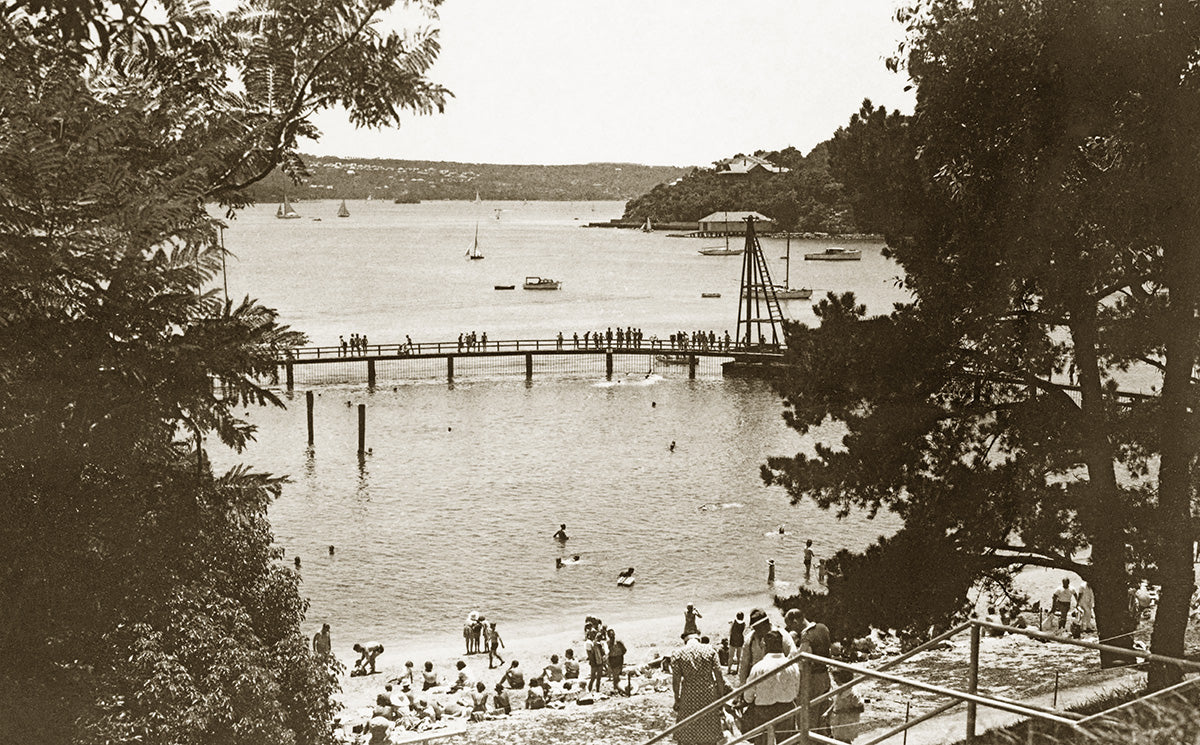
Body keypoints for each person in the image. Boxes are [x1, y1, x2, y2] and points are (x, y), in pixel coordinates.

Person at [742, 630, 801, 745]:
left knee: (762, 741)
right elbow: (796, 690)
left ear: (765, 645)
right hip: (786, 708)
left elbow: (748, 695)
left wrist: (749, 700)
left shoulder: (758, 667)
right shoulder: (793, 665)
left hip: (763, 710)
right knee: (787, 742)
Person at [671, 632, 725, 745]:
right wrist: (721, 696)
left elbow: (676, 680)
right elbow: (719, 676)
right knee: (709, 735)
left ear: (685, 641)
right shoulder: (710, 651)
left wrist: (677, 698)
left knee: (686, 734)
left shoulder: (678, 653)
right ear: (698, 639)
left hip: (688, 696)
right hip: (708, 695)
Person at [793, 605, 833, 738]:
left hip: (812, 679)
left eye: (791, 626)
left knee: (809, 718)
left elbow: (804, 659)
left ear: (795, 622)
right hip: (825, 675)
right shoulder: (823, 627)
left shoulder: (806, 635)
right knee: (822, 715)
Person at [739, 609, 796, 686]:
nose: (756, 630)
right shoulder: (750, 639)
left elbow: (793, 658)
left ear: (766, 624)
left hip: (778, 681)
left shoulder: (783, 636)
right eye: (754, 628)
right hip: (756, 681)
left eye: (758, 627)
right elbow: (744, 663)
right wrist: (742, 684)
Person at [607, 628, 628, 694]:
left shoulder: (618, 642)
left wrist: (619, 655)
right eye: (610, 635)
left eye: (612, 634)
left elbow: (624, 650)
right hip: (612, 659)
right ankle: (617, 688)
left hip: (618, 659)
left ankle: (617, 688)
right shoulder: (608, 643)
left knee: (616, 674)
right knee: (614, 675)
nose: (612, 636)